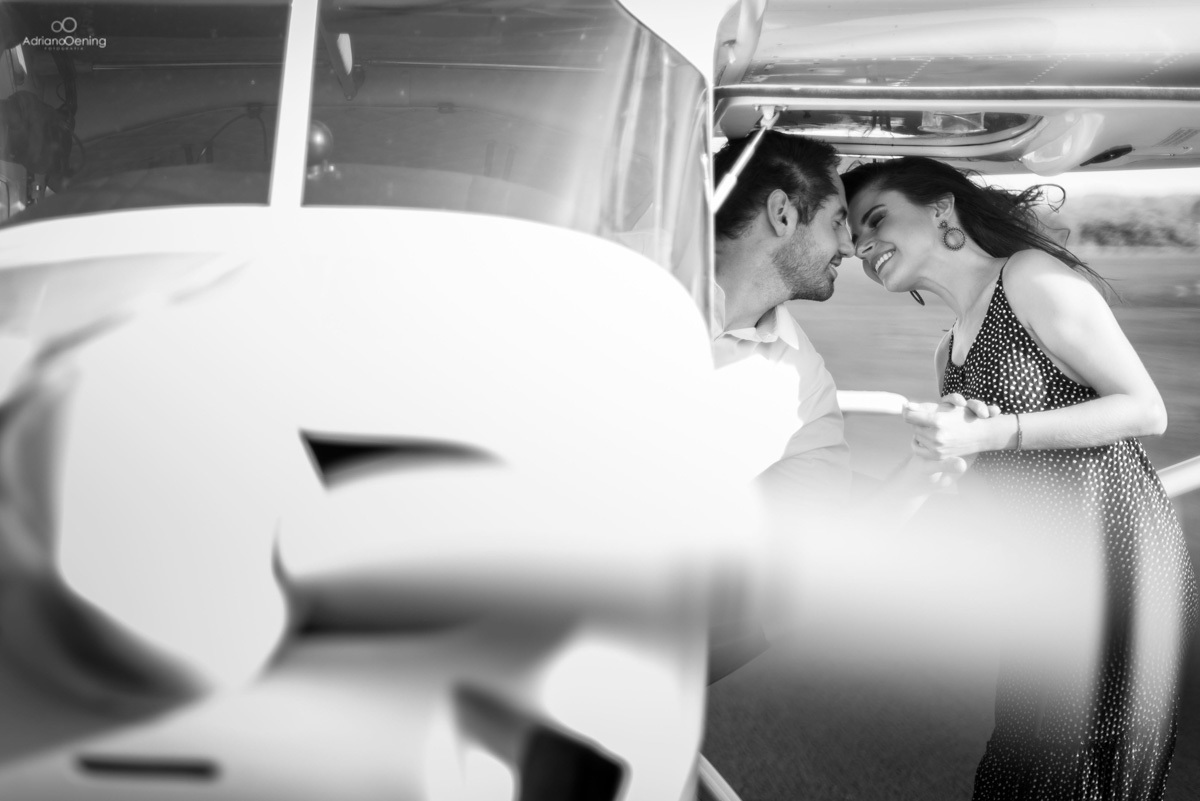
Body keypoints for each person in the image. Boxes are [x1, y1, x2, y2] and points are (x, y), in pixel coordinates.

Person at [843, 155, 1197, 800]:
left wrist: (992, 432)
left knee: (1083, 768)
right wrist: (946, 457)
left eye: (875, 219)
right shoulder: (946, 349)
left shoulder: (1030, 277)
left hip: (1115, 567)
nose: (863, 246)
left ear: (942, 208)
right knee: (1022, 765)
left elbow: (1145, 408)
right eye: (853, 238)